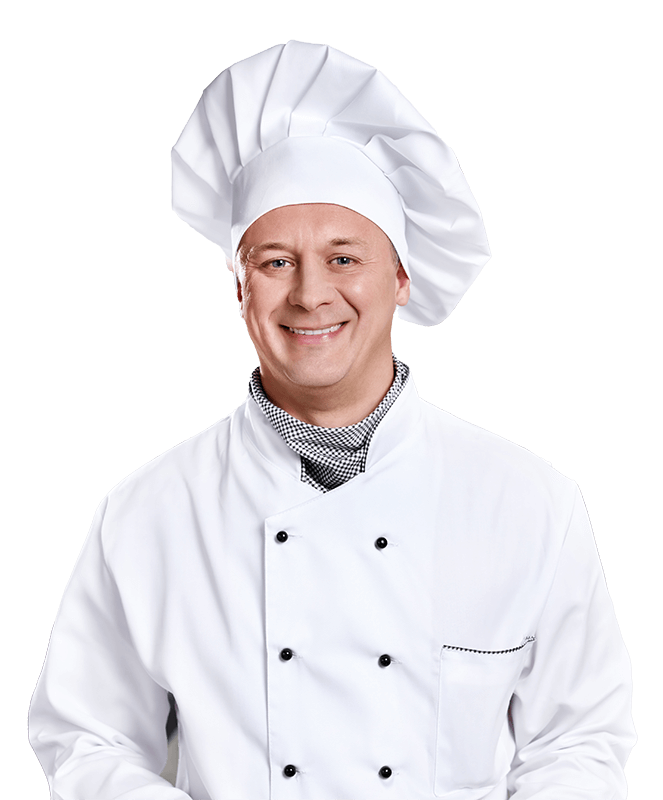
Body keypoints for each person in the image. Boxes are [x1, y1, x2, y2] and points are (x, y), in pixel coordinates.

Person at [28, 40, 636, 799]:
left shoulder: (526, 498)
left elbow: (578, 743)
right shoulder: (148, 511)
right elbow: (88, 740)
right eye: (275, 261)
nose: (310, 294)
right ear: (240, 288)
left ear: (401, 278)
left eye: (344, 258)